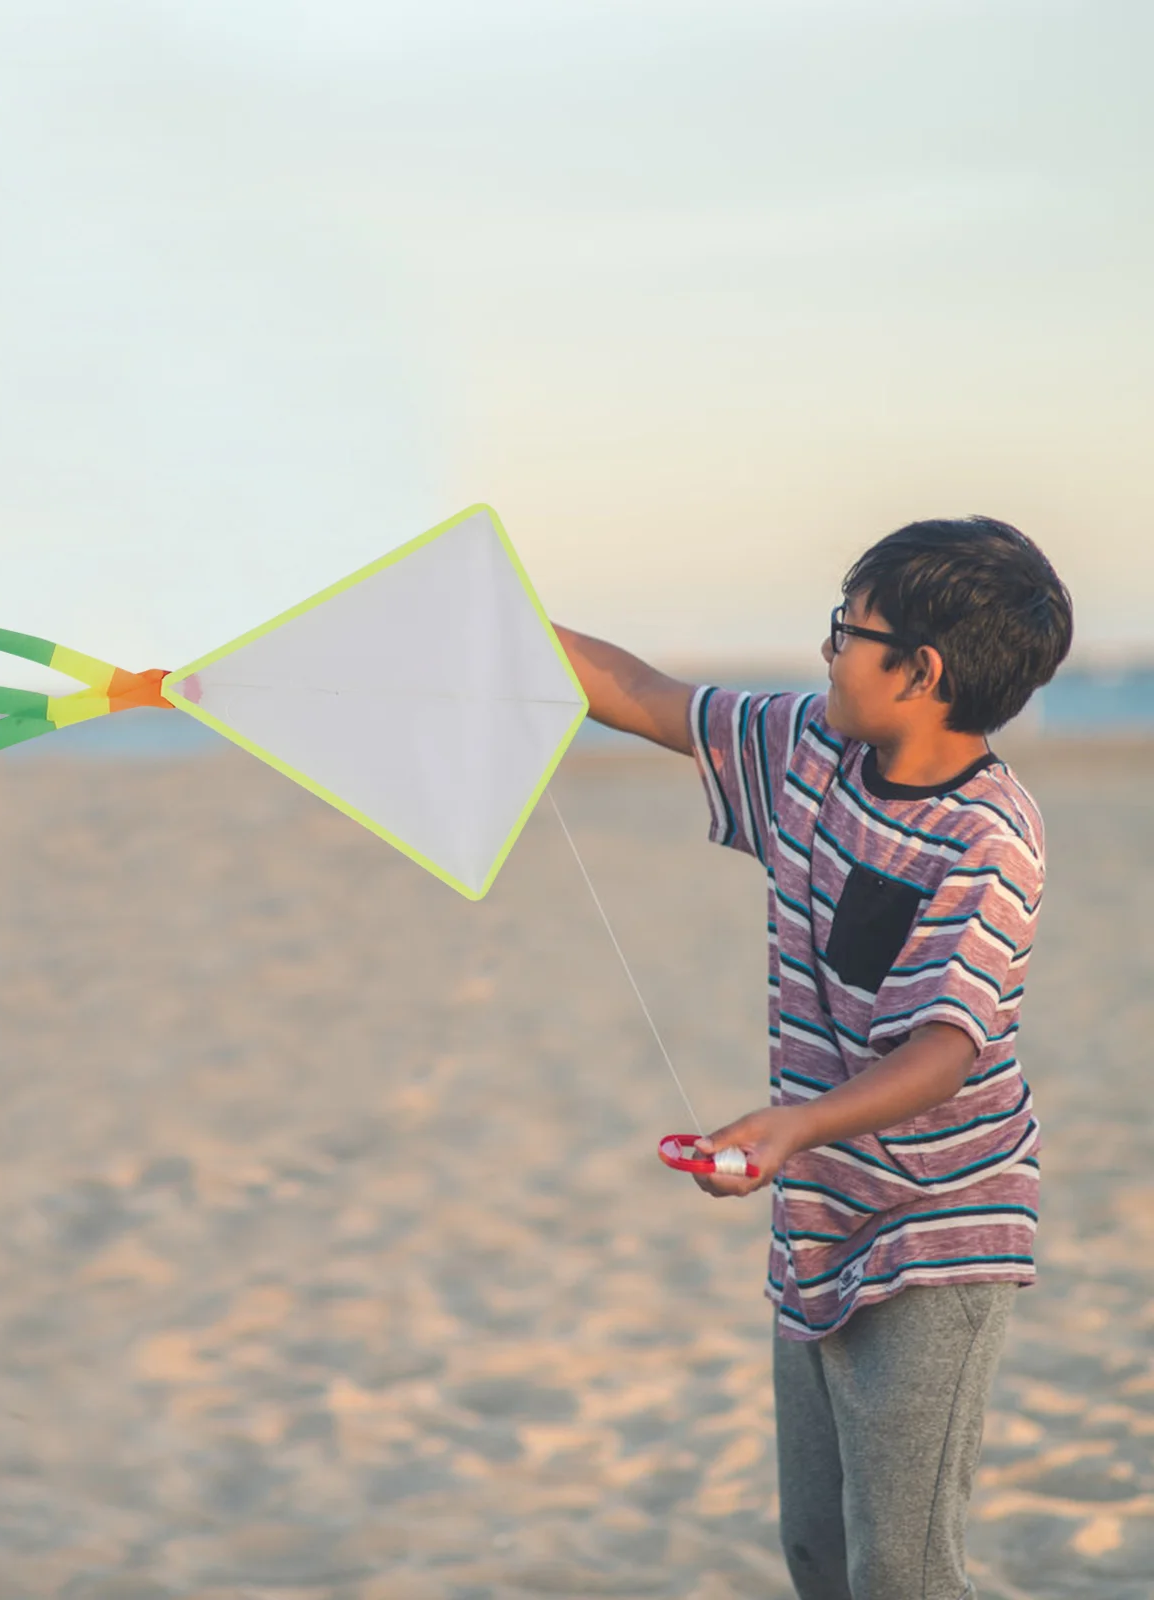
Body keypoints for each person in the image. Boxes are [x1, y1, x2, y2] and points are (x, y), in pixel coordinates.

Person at [555, 517, 1073, 1600]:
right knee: (818, 1555)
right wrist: (482, 633)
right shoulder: (809, 751)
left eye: (848, 629)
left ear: (919, 670)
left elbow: (943, 1047)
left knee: (903, 1569)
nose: (828, 651)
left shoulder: (989, 837)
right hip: (819, 1224)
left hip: (940, 1230)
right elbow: (644, 696)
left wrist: (791, 1125)